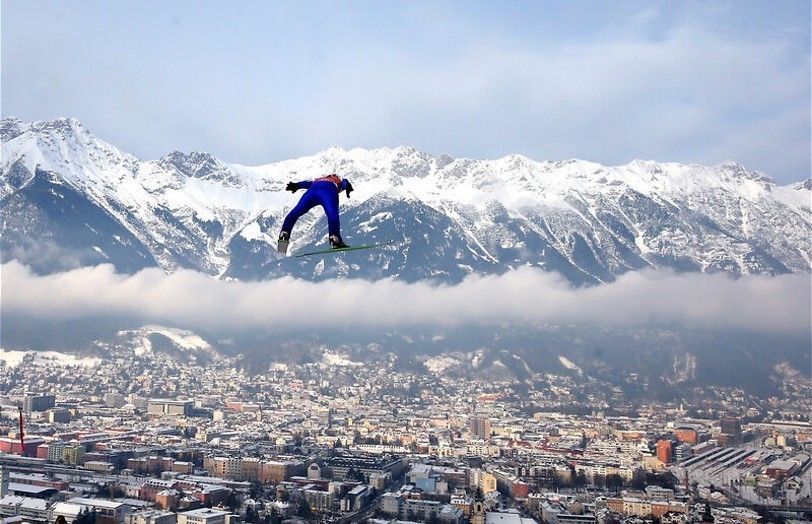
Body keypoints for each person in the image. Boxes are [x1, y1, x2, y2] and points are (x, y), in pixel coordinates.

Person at [277, 173, 354, 254]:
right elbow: (345, 183)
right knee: (332, 215)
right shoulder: (338, 178)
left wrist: (296, 185)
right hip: (328, 191)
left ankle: (284, 234)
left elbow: (307, 184)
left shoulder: (319, 179)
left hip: (313, 190)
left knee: (296, 211)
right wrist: (348, 186)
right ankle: (334, 239)